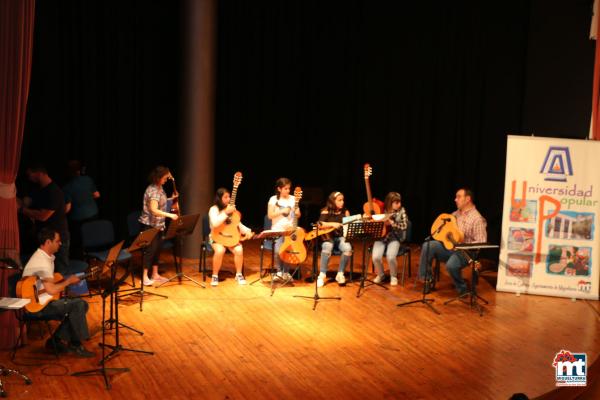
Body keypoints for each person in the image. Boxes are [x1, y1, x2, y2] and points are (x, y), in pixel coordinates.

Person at [21, 228, 94, 357]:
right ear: (48, 242)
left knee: (82, 305)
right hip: (37, 306)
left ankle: (55, 340)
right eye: (57, 241)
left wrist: (65, 282)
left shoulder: (45, 257)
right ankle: (76, 345)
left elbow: (47, 285)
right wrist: (68, 282)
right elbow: (51, 290)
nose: (60, 243)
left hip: (44, 298)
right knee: (78, 305)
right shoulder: (41, 262)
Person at [417, 187, 487, 295]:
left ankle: (462, 288)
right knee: (428, 245)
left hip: (466, 253)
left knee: (451, 265)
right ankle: (428, 280)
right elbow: (446, 230)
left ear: (467, 199)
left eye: (458, 197)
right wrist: (446, 237)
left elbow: (481, 242)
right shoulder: (455, 214)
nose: (455, 199)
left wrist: (462, 245)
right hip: (450, 248)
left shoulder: (477, 219)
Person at [21, 164, 71, 275]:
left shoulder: (54, 191)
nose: (29, 178)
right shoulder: (40, 190)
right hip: (47, 238)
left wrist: (22, 210)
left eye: (30, 175)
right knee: (47, 271)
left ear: (38, 173)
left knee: (61, 271)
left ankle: (65, 292)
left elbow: (44, 216)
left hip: (58, 238)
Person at [138, 166, 179, 286]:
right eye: (165, 178)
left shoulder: (159, 187)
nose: (166, 180)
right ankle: (145, 276)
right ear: (158, 177)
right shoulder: (153, 191)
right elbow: (154, 210)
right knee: (150, 250)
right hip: (150, 225)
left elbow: (162, 203)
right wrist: (170, 216)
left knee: (157, 250)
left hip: (159, 225)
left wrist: (172, 198)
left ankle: (155, 274)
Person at [208, 188, 254, 286]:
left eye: (229, 197)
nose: (228, 199)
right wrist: (225, 212)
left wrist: (248, 231)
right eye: (225, 197)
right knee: (220, 251)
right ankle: (215, 275)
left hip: (230, 236)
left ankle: (238, 274)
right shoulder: (214, 209)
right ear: (219, 198)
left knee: (239, 250)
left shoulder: (233, 209)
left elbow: (237, 223)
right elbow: (215, 224)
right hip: (217, 236)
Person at [62, 160, 101, 259]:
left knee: (79, 243)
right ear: (80, 170)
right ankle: (94, 259)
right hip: (93, 214)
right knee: (93, 238)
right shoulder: (88, 179)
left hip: (78, 220)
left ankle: (81, 262)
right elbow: (97, 195)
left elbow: (67, 208)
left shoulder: (67, 187)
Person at [371, 192, 409, 286]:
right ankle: (381, 274)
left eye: (399, 202)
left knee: (390, 256)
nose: (399, 204)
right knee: (375, 257)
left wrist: (392, 223)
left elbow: (404, 226)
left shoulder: (402, 211)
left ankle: (393, 276)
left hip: (395, 237)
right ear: (389, 203)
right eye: (396, 203)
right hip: (382, 237)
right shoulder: (382, 210)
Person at [267, 177, 300, 281]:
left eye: (289, 188)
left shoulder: (293, 199)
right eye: (285, 188)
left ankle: (286, 272)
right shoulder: (273, 199)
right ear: (279, 189)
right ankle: (279, 271)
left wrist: (297, 212)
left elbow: (298, 215)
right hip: (277, 229)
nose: (288, 191)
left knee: (288, 250)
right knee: (278, 251)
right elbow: (270, 215)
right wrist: (282, 211)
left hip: (290, 230)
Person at [317, 191, 353, 287]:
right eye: (339, 200)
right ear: (333, 201)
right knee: (328, 246)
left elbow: (349, 226)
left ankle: (340, 274)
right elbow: (320, 224)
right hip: (328, 237)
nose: (342, 202)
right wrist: (333, 224)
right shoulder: (326, 211)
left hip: (340, 237)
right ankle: (322, 275)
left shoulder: (345, 212)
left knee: (348, 249)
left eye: (343, 200)